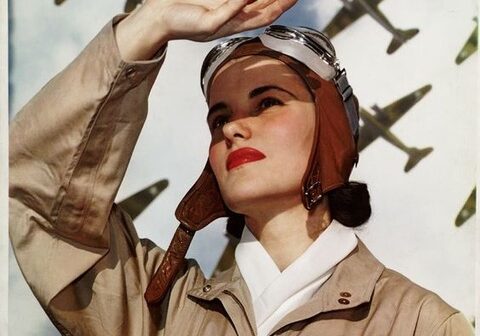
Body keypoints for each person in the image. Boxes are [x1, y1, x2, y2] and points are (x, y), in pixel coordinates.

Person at [9, 0, 473, 335]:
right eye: (220, 117)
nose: (232, 130)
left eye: (268, 101)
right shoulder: (158, 310)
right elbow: (39, 195)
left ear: (333, 130)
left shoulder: (420, 324)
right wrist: (152, 21)